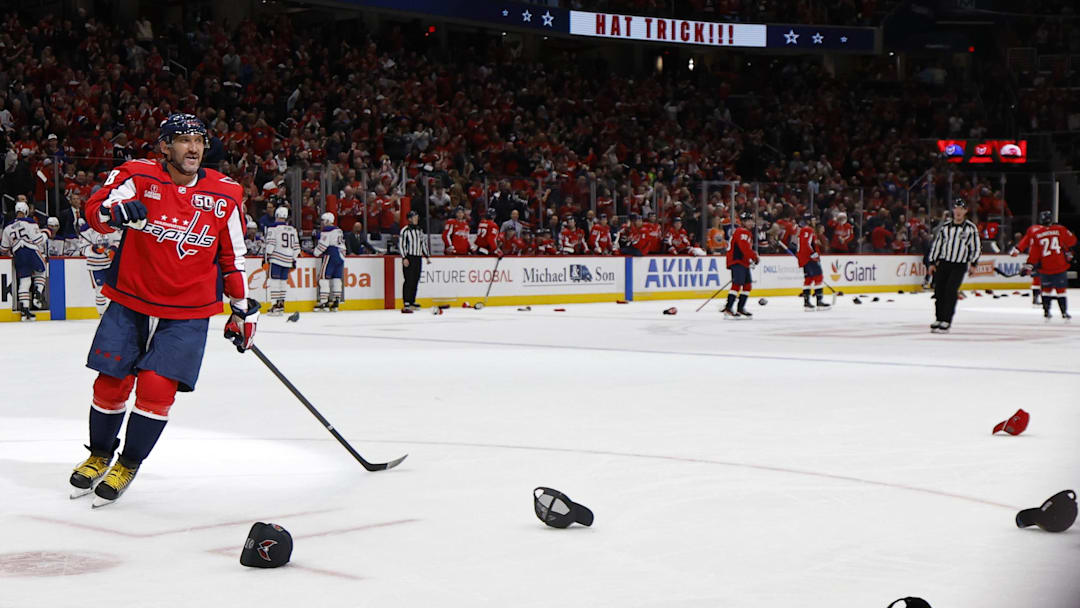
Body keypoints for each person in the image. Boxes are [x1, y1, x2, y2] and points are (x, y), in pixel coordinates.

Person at [68, 113, 256, 507]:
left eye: (199, 141)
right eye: (183, 140)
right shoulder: (138, 175)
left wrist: (242, 310)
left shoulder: (227, 192)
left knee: (156, 388)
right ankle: (99, 453)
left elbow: (233, 257)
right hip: (130, 298)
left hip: (188, 309)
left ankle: (128, 462)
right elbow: (97, 208)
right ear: (164, 146)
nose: (193, 148)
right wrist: (112, 214)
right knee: (111, 383)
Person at [927, 198, 981, 333]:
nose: (958, 211)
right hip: (944, 263)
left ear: (965, 211)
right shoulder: (945, 227)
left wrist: (973, 263)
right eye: (956, 208)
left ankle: (946, 320)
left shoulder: (970, 228)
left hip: (959, 264)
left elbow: (975, 248)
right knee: (939, 291)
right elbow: (937, 244)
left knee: (951, 291)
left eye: (961, 209)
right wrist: (932, 262)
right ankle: (938, 318)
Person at [0, 200, 49, 320]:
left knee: (24, 280)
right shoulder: (30, 222)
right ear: (26, 211)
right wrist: (45, 234)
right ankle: (38, 291)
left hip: (18, 254)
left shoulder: (7, 227)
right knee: (42, 270)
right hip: (31, 250)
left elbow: (3, 248)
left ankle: (25, 309)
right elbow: (38, 240)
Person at [1025, 218, 1077, 321]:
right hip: (1059, 265)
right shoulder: (1060, 229)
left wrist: (1029, 264)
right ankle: (1064, 312)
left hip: (1046, 267)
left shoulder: (1037, 233)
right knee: (1061, 291)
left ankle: (1046, 312)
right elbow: (1072, 241)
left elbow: (1034, 253)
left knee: (1046, 291)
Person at [722, 212, 759, 319]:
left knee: (747, 285)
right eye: (749, 221)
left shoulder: (744, 232)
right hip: (737, 261)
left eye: (752, 220)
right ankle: (728, 308)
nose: (751, 223)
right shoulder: (743, 232)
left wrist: (751, 258)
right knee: (737, 284)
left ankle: (740, 308)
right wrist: (754, 257)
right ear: (743, 222)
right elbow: (744, 248)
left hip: (742, 262)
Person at [265, 206, 300, 315]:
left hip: (276, 258)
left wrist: (266, 258)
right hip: (288, 259)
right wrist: (293, 259)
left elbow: (270, 245)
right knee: (283, 282)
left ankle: (275, 305)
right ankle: (281, 304)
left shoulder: (273, 229)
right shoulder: (293, 230)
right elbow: (297, 248)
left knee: (275, 282)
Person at [1010, 211, 1050, 306]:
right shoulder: (1052, 230)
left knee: (1037, 277)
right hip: (1046, 258)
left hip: (1034, 258)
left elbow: (1025, 241)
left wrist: (1017, 250)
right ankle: (1043, 298)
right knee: (1045, 278)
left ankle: (1036, 298)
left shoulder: (1033, 229)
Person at [81, 222, 121, 315]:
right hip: (95, 267)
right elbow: (83, 250)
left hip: (109, 265)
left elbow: (118, 240)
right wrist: (94, 249)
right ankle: (102, 313)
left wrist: (113, 249)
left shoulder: (109, 228)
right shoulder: (88, 232)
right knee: (100, 290)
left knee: (115, 289)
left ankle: (115, 312)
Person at [398, 209, 431, 310]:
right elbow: (402, 245)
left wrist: (427, 256)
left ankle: (412, 300)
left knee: (416, 279)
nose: (416, 219)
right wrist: (404, 257)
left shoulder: (419, 230)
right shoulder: (405, 230)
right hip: (409, 257)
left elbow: (423, 244)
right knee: (409, 280)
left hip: (418, 257)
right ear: (409, 219)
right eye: (414, 217)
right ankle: (407, 301)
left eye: (417, 217)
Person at [313, 211, 346, 311]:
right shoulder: (339, 230)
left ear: (328, 221)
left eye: (323, 220)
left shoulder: (327, 230)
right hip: (341, 254)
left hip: (331, 254)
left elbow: (323, 245)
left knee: (323, 278)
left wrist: (315, 252)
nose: (322, 223)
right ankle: (336, 300)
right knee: (336, 277)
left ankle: (324, 302)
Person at [796, 213, 829, 311]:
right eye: (813, 220)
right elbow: (806, 244)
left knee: (808, 279)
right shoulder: (808, 229)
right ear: (808, 221)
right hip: (809, 259)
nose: (815, 222)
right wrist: (813, 254)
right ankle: (819, 302)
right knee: (818, 277)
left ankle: (807, 303)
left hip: (805, 259)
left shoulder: (804, 230)